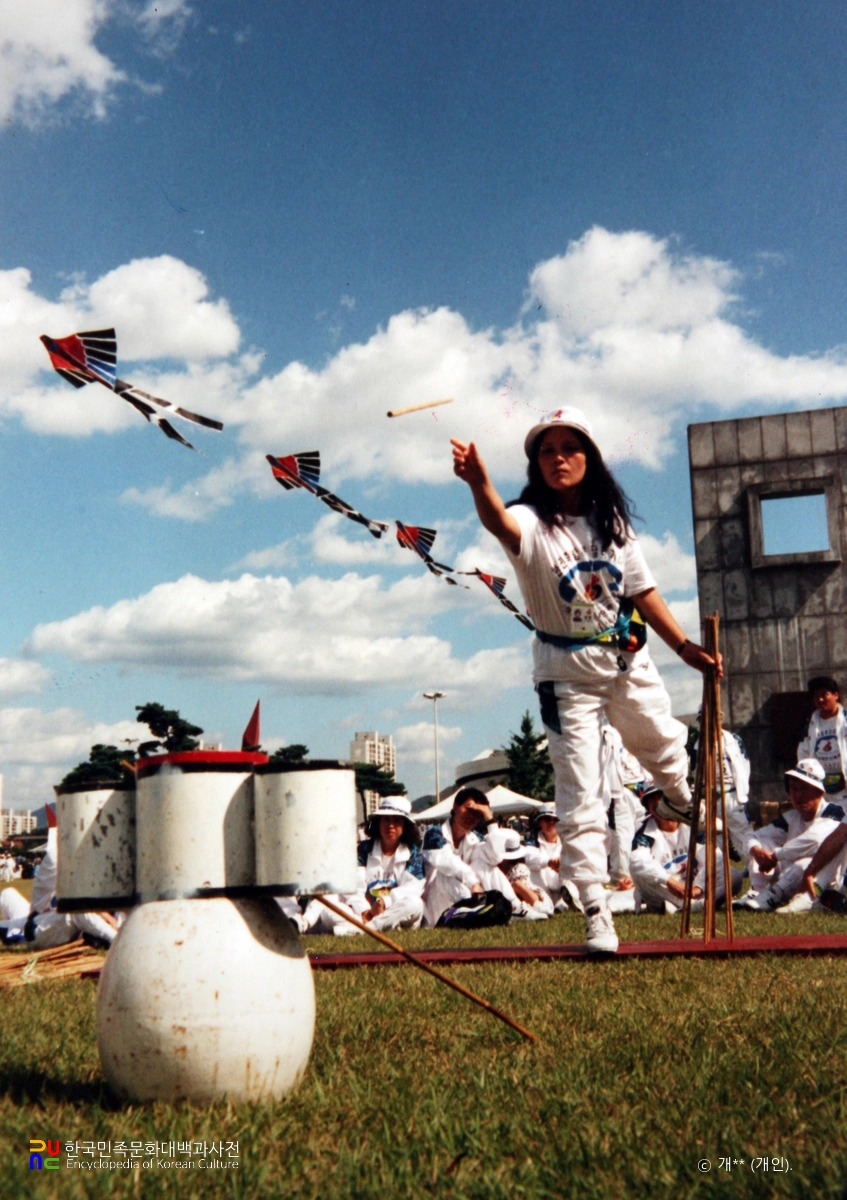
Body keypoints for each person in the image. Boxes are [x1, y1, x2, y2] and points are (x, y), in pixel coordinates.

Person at [451, 408, 718, 953]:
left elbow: (642, 591)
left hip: (625, 659)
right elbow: (500, 523)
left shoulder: (611, 523)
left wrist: (685, 647)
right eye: (547, 450)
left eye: (569, 448)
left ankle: (679, 800)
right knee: (580, 789)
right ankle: (596, 909)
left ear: (590, 458)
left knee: (664, 744)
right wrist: (479, 483)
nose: (558, 458)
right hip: (565, 675)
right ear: (537, 463)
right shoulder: (530, 520)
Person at [299, 797, 426, 936]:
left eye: (396, 821)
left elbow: (411, 890)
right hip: (361, 915)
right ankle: (366, 929)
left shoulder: (414, 854)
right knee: (329, 907)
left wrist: (385, 902)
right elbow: (352, 888)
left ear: (405, 826)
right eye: (386, 820)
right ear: (378, 823)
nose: (390, 825)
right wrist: (365, 911)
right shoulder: (363, 850)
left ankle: (364, 930)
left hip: (394, 914)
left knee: (416, 904)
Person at [736, 759, 845, 912]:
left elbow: (813, 840)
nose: (798, 795)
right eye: (794, 789)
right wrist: (757, 851)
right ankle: (757, 890)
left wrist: (775, 856)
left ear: (819, 792)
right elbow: (752, 836)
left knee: (805, 862)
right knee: (762, 842)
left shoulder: (834, 813)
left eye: (804, 789)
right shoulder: (792, 817)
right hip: (791, 877)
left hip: (820, 882)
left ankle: (774, 895)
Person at [421, 788, 512, 928]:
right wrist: (473, 883)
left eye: (478, 814)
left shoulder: (474, 838)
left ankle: (513, 907)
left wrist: (490, 818)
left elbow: (496, 857)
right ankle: (475, 913)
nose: (472, 817)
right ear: (455, 807)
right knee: (445, 874)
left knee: (486, 865)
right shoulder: (434, 834)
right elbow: (448, 862)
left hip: (464, 899)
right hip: (436, 906)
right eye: (468, 810)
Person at [797, 676, 847, 804]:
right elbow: (803, 756)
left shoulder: (845, 722)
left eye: (824, 695)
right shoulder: (810, 726)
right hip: (821, 794)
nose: (820, 699)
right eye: (816, 696)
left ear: (836, 695)